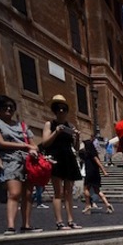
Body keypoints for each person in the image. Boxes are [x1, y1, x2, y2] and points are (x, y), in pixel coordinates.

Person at [0, 94, 42, 234]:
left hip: (28, 161)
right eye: (5, 106)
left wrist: (34, 150)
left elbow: (33, 144)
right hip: (11, 160)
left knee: (28, 194)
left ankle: (26, 225)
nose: (9, 109)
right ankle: (11, 226)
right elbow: (0, 143)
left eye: (11, 106)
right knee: (14, 193)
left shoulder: (21, 125)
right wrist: (24, 146)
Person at [41, 94, 82, 230]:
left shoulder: (70, 125)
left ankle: (71, 220)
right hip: (55, 158)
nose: (61, 111)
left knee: (69, 191)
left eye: (64, 109)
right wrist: (56, 132)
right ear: (54, 110)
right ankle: (59, 222)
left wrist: (77, 137)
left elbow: (76, 148)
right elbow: (45, 143)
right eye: (58, 109)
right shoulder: (50, 124)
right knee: (58, 191)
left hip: (68, 158)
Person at [80, 137, 113, 215]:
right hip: (95, 173)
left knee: (86, 189)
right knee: (97, 190)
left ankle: (88, 206)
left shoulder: (90, 154)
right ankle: (107, 204)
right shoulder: (91, 153)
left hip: (90, 173)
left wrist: (104, 171)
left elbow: (98, 162)